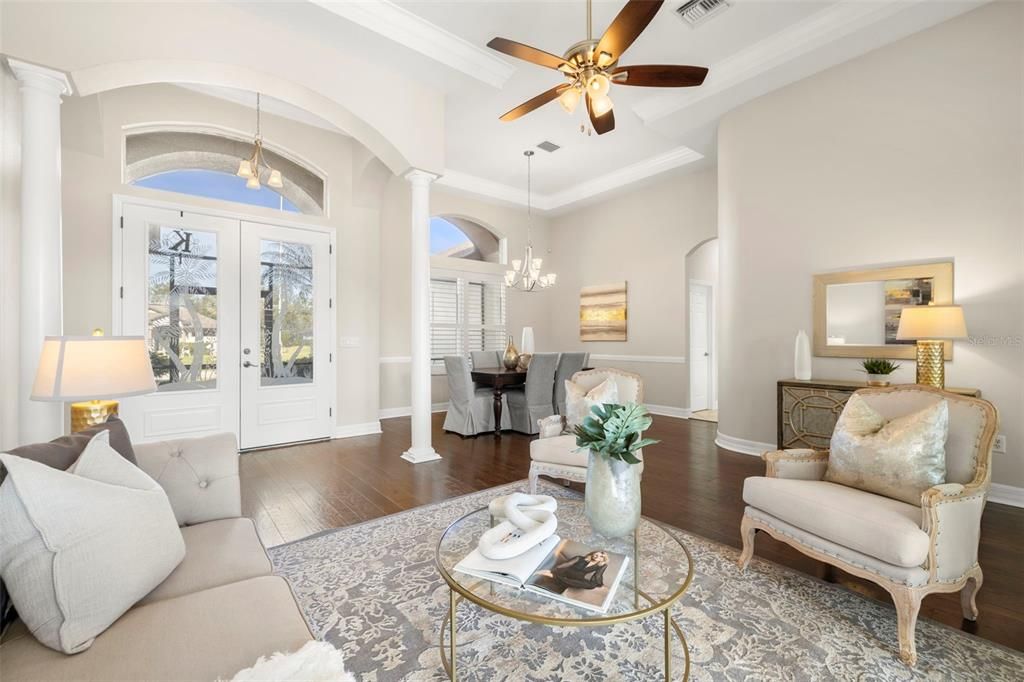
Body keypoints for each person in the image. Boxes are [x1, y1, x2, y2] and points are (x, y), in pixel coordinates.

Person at [535, 550, 608, 594]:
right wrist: (554, 569)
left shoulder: (600, 566)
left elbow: (598, 575)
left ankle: (553, 576)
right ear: (592, 554)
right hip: (568, 574)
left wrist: (600, 585)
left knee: (592, 585)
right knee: (557, 588)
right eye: (596, 554)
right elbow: (566, 564)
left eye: (601, 556)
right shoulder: (580, 558)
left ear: (602, 560)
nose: (597, 556)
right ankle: (550, 573)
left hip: (577, 579)